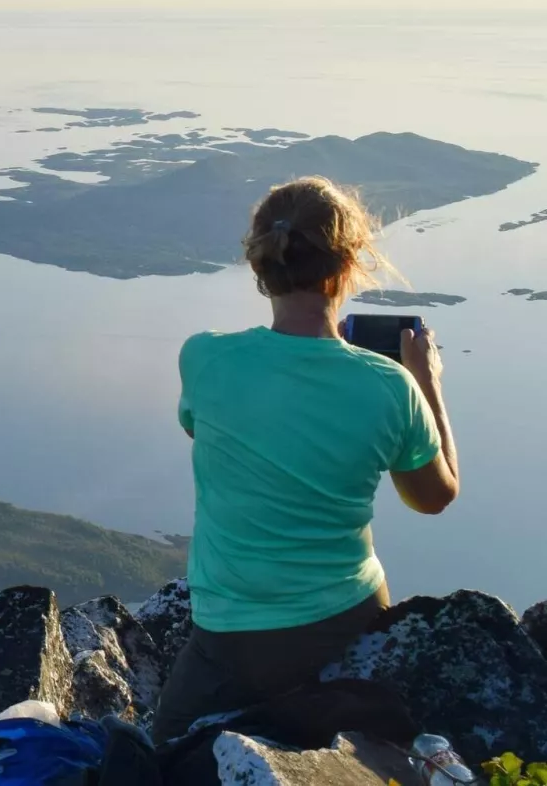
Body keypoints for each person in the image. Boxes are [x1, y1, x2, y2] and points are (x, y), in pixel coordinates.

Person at [151, 176, 461, 745]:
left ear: (259, 265)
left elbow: (204, 430)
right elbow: (433, 497)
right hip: (349, 620)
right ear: (347, 268)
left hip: (230, 638)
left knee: (164, 749)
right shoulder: (390, 387)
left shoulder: (205, 358)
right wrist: (428, 384)